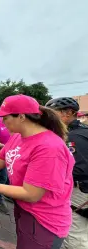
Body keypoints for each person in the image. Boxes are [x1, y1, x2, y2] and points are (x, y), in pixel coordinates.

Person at [0, 94, 74, 249]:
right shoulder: (17, 137)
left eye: (5, 117)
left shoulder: (49, 148)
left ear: (21, 117)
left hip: (44, 220)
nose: (1, 122)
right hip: (24, 210)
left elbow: (31, 194)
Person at [45, 97, 88, 249]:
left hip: (79, 191)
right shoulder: (81, 131)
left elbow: (78, 169)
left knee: (75, 236)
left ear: (68, 113)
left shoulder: (74, 137)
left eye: (52, 113)